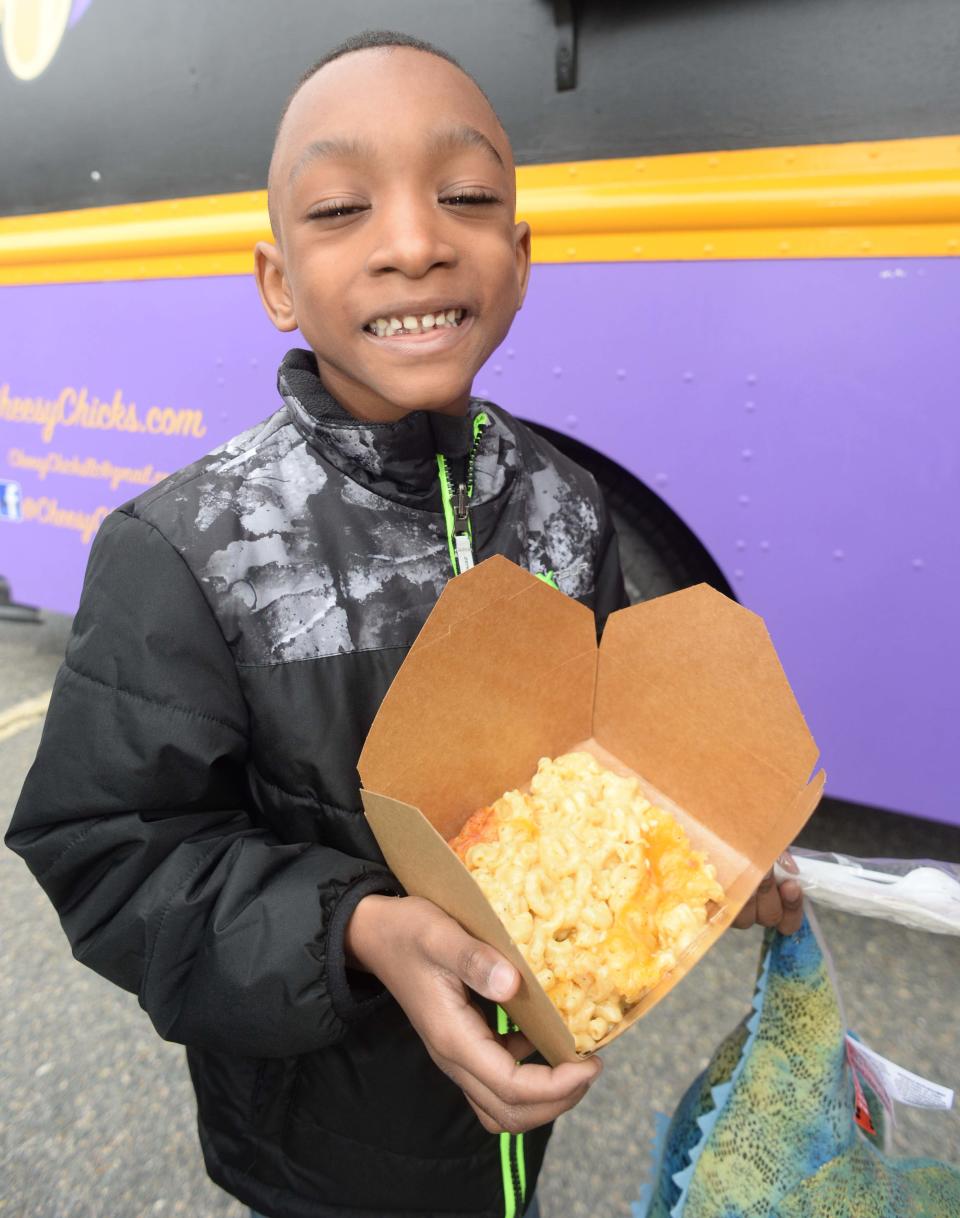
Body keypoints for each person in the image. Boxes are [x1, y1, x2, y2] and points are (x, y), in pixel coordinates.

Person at [6, 31, 803, 1218]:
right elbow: (112, 852)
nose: (417, 241)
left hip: (518, 1111)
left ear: (519, 259)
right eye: (341, 209)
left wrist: (701, 854)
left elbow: (595, 770)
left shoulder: (563, 505)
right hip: (319, 1141)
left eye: (466, 195)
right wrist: (362, 933)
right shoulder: (187, 551)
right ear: (277, 282)